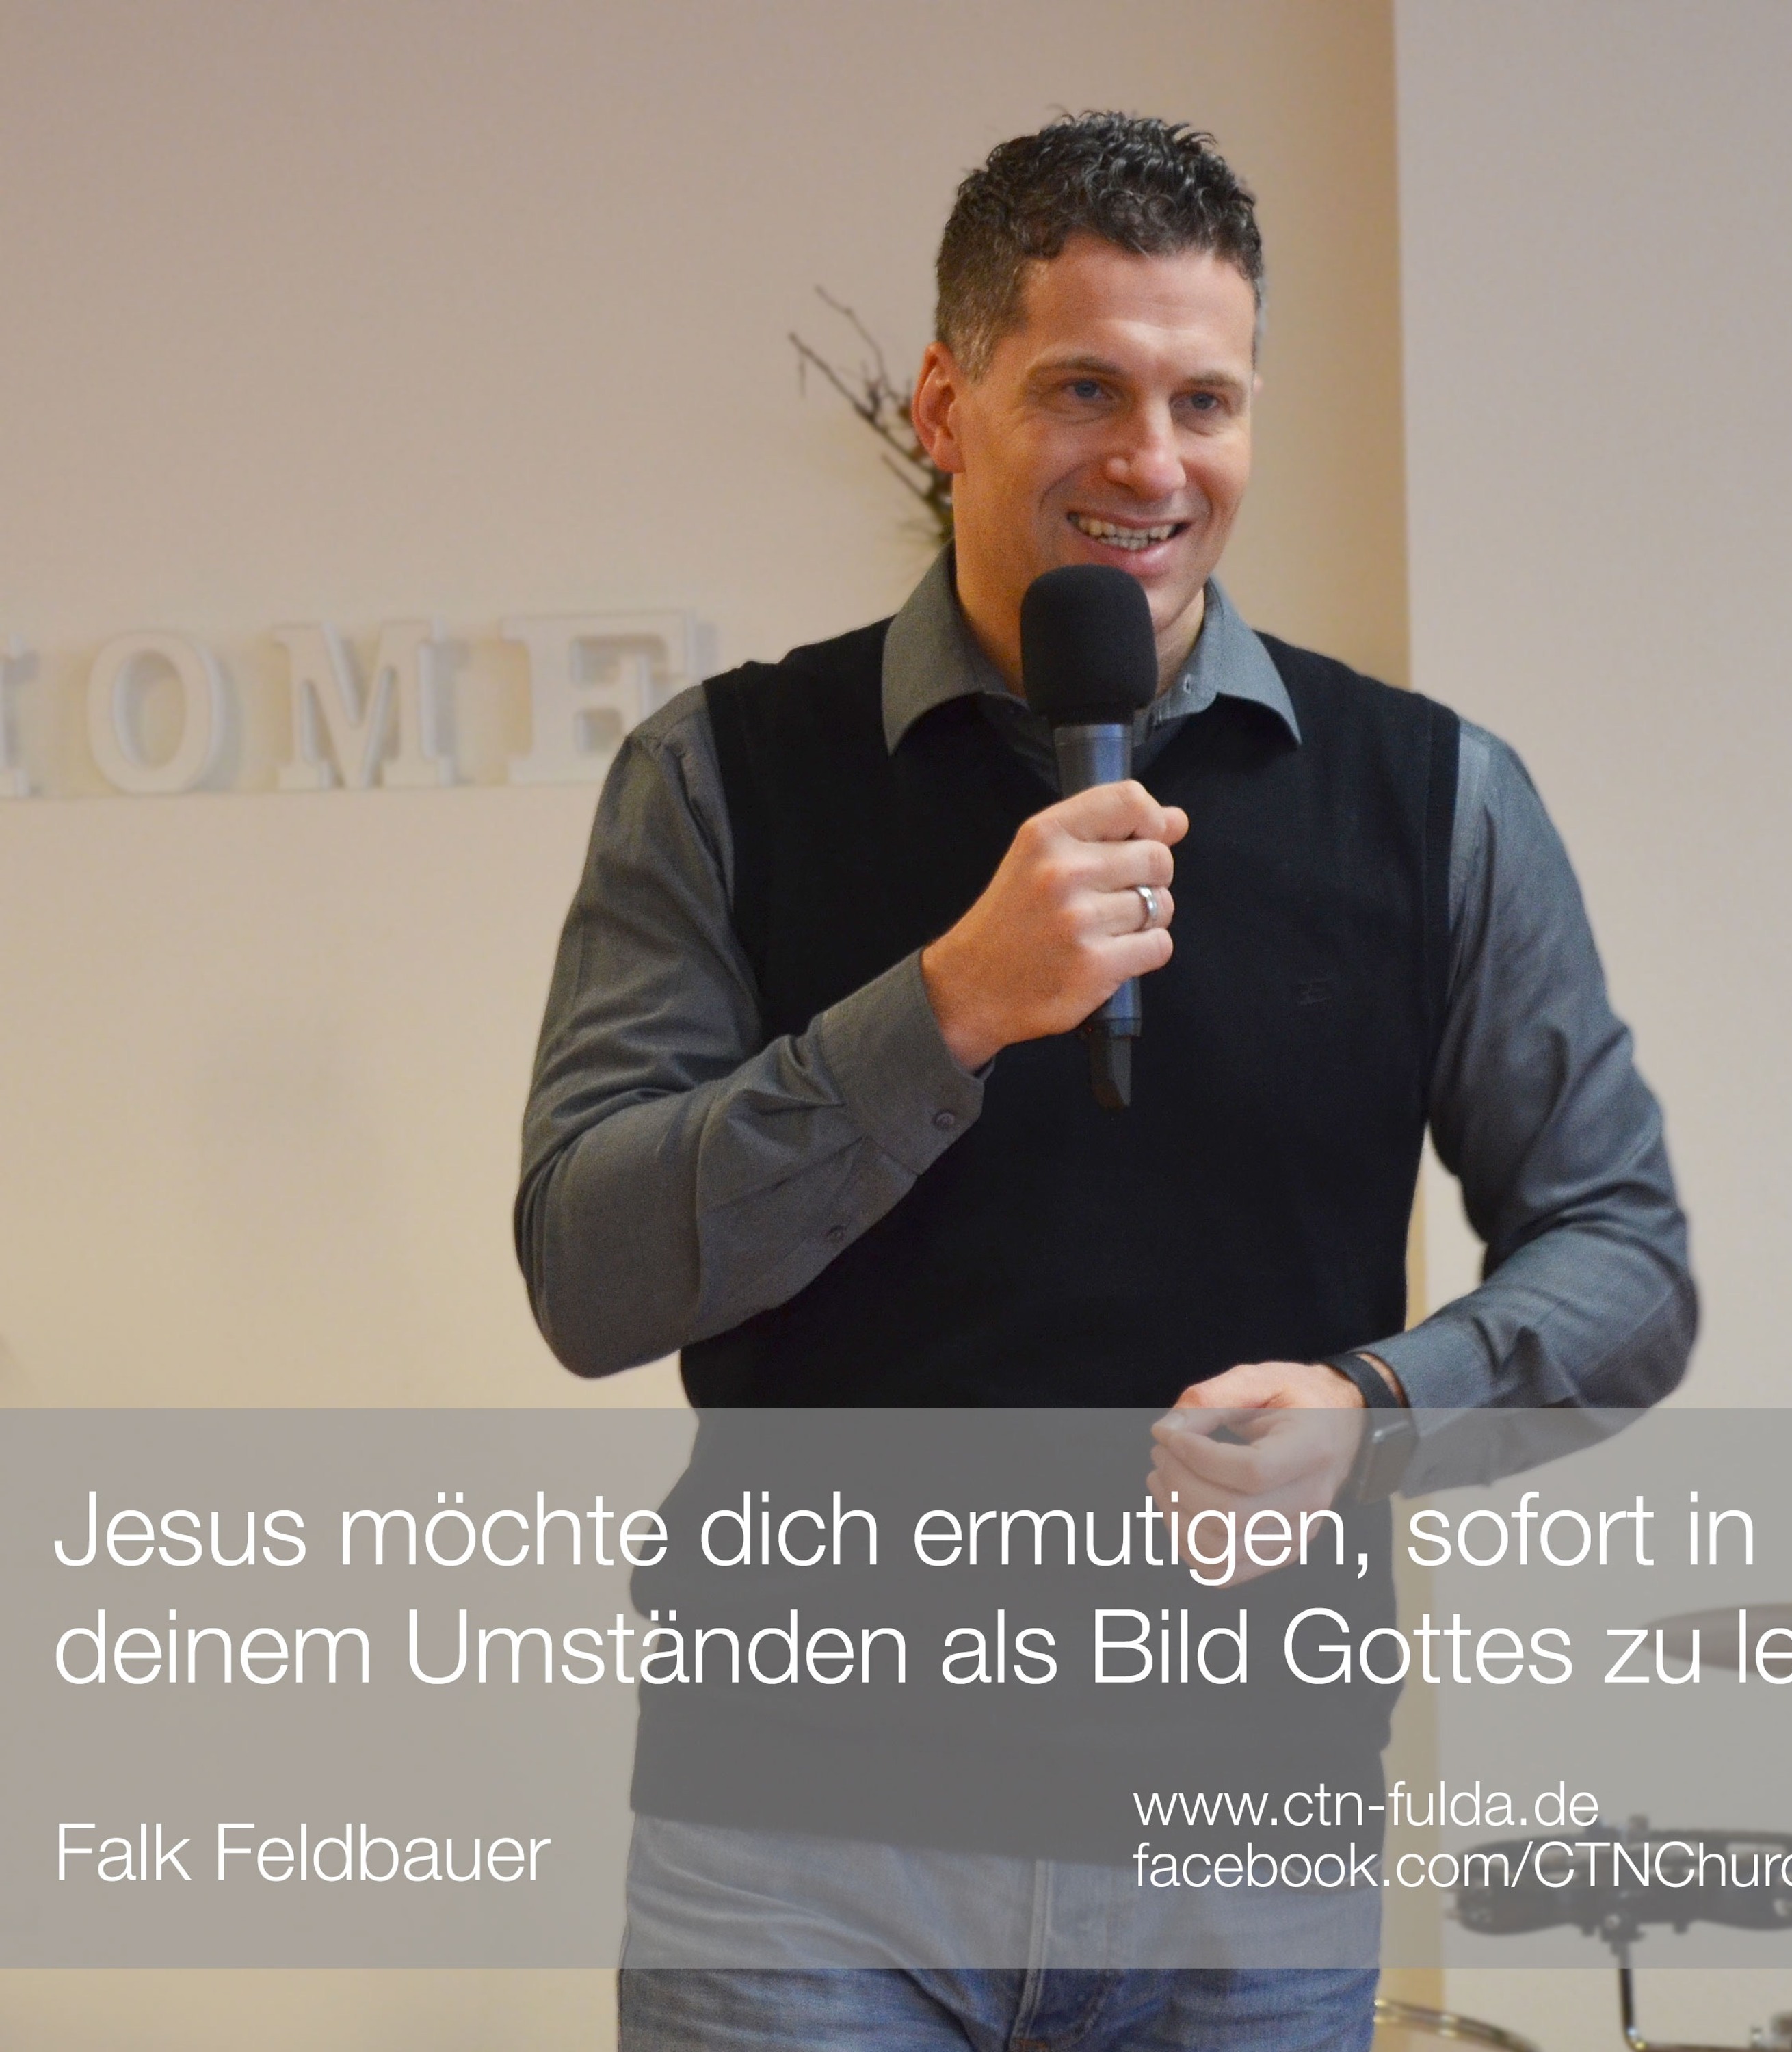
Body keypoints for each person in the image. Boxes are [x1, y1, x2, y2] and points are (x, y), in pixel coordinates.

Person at [518, 111, 1694, 2052]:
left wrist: (1376, 1410)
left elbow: (1624, 1261)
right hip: (797, 1859)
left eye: (1203, 401)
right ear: (945, 403)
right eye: (1085, 389)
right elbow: (589, 1269)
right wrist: (948, 1008)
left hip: (1242, 1850)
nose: (1153, 463)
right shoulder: (719, 775)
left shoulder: (1435, 799)